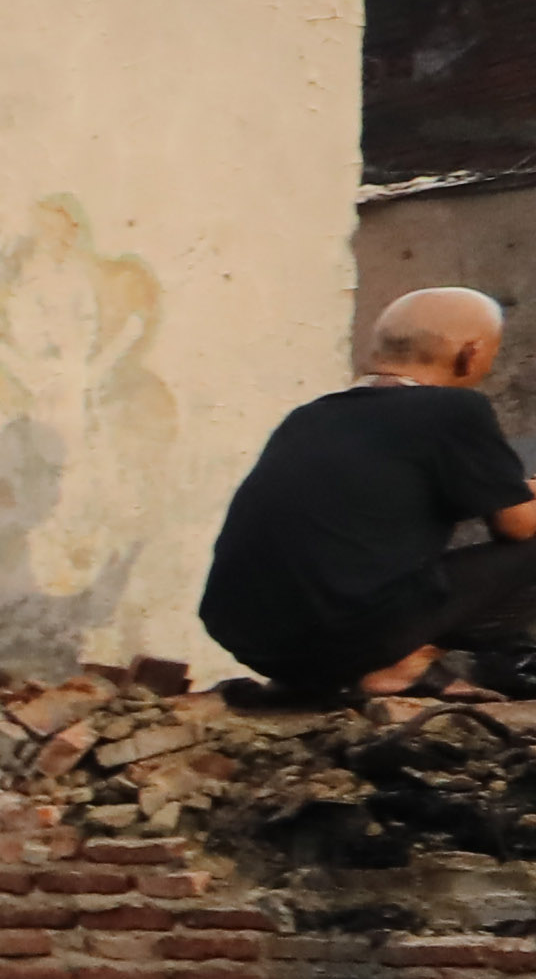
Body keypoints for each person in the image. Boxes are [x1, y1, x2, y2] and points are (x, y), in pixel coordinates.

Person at [205, 290, 536, 696]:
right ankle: (404, 667)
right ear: (470, 354)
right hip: (350, 631)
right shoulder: (452, 409)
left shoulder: (312, 415)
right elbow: (518, 526)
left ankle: (329, 674)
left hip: (248, 636)